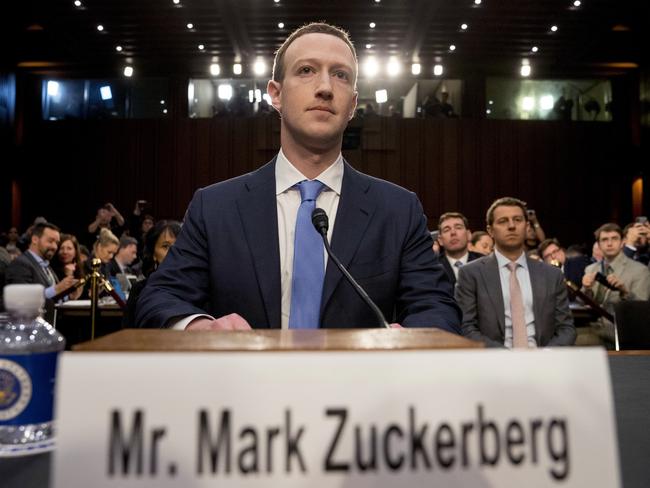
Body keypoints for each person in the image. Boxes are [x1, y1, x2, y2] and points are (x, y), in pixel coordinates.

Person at [137, 22, 460, 332]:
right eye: (306, 70)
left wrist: (411, 338)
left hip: (362, 384)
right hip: (245, 383)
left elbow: (436, 306)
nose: (325, 88)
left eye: (341, 75)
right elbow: (160, 297)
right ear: (275, 94)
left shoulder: (398, 209)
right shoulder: (216, 206)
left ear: (353, 105)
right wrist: (198, 327)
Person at [455, 197, 575, 348]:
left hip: (543, 362)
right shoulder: (471, 274)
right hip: (493, 363)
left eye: (517, 220)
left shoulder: (552, 275)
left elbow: (566, 329)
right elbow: (466, 327)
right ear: (490, 230)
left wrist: (545, 357)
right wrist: (507, 359)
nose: (511, 226)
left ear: (526, 226)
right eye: (503, 221)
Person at [581, 223, 650, 347]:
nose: (609, 243)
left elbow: (642, 311)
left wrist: (624, 291)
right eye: (604, 240)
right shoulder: (590, 269)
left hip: (621, 329)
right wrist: (586, 289)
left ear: (622, 242)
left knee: (576, 339)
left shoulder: (640, 270)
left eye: (614, 239)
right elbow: (582, 304)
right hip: (593, 326)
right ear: (599, 244)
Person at [5, 223, 78, 323]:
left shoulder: (46, 266)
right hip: (30, 331)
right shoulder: (20, 264)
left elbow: (52, 299)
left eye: (56, 242)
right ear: (35, 239)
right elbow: (22, 301)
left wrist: (68, 295)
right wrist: (56, 289)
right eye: (50, 241)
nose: (55, 246)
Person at [123, 221, 181, 328]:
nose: (173, 252)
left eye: (178, 246)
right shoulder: (139, 290)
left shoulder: (198, 289)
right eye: (165, 246)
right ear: (153, 254)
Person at [436, 212, 482, 285]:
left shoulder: (484, 262)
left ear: (469, 235)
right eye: (446, 230)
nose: (453, 232)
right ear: (440, 240)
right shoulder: (432, 266)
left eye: (458, 227)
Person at [51, 233, 84, 300]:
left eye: (69, 248)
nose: (65, 252)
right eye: (61, 248)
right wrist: (68, 275)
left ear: (75, 252)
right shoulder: (51, 269)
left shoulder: (81, 269)